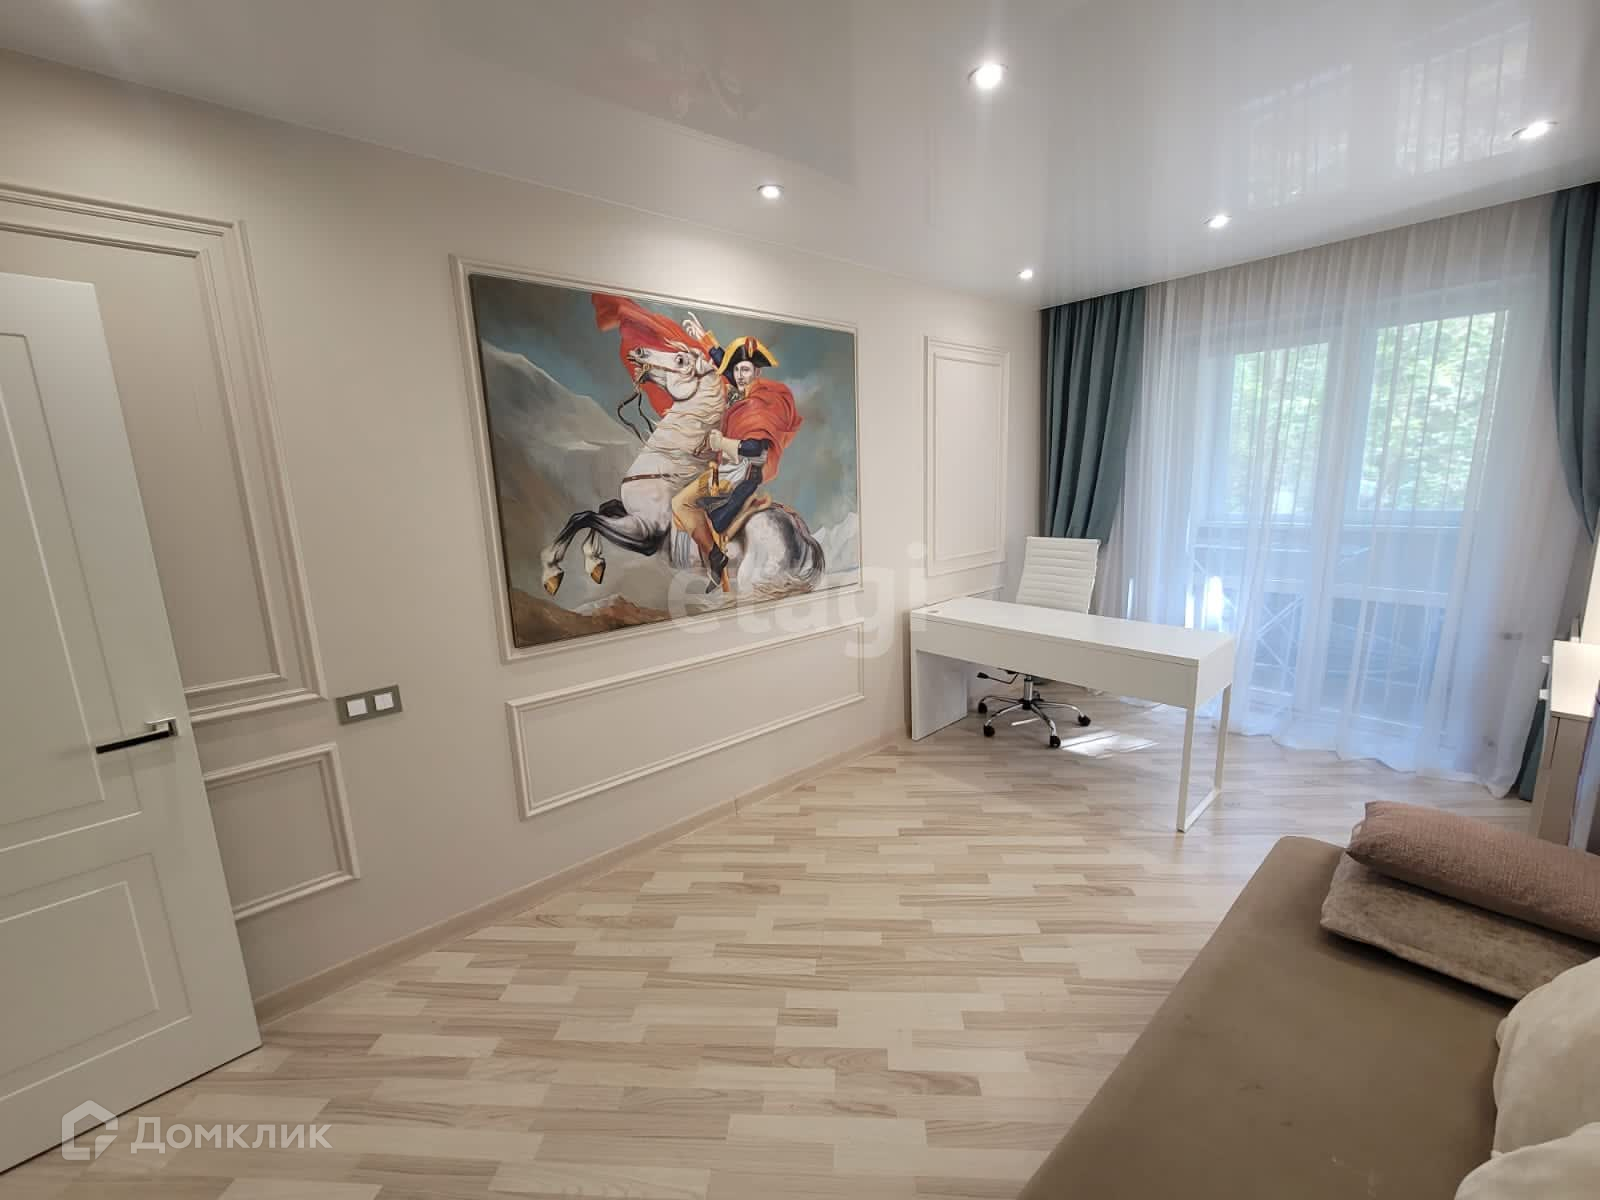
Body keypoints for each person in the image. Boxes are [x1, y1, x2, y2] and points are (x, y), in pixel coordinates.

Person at [670, 313, 803, 591]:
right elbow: (726, 368)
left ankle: (715, 557)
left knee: (683, 505)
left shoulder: (761, 401)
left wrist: (722, 444)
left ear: (757, 373)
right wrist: (704, 338)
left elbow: (757, 448)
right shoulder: (747, 392)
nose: (739, 376)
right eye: (738, 371)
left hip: (741, 475)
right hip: (727, 470)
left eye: (745, 370)